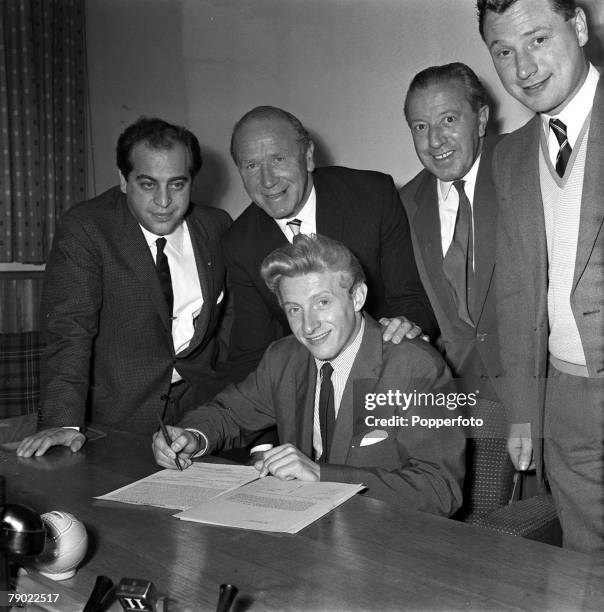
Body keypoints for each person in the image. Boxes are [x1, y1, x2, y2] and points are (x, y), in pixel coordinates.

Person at [153, 234, 465, 516]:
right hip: (304, 532)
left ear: (357, 297)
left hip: (385, 544)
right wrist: (190, 437)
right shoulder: (284, 358)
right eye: (294, 310)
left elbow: (440, 490)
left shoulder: (413, 367)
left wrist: (321, 476)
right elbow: (228, 413)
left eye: (322, 303)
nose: (309, 326)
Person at [17, 118, 231, 458]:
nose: (164, 201)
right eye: (148, 185)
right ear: (123, 179)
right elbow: (70, 329)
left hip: (200, 419)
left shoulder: (216, 226)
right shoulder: (88, 229)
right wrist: (64, 422)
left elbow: (229, 326)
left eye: (177, 185)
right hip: (117, 421)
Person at [478, 0, 604, 553]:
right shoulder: (507, 157)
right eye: (503, 51)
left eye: (536, 40)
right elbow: (516, 292)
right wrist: (525, 413)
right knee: (585, 562)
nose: (523, 68)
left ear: (578, 27)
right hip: (567, 398)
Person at [221, 105, 438, 381]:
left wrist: (405, 327)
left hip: (386, 366)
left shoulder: (373, 196)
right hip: (310, 384)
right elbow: (252, 352)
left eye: (278, 160)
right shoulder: (239, 242)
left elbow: (411, 300)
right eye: (251, 166)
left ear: (308, 157)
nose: (267, 181)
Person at [401, 63, 501, 395]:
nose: (434, 140)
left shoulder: (524, 170)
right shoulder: (402, 204)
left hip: (536, 388)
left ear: (482, 119)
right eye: (420, 126)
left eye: (449, 119)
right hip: (455, 397)